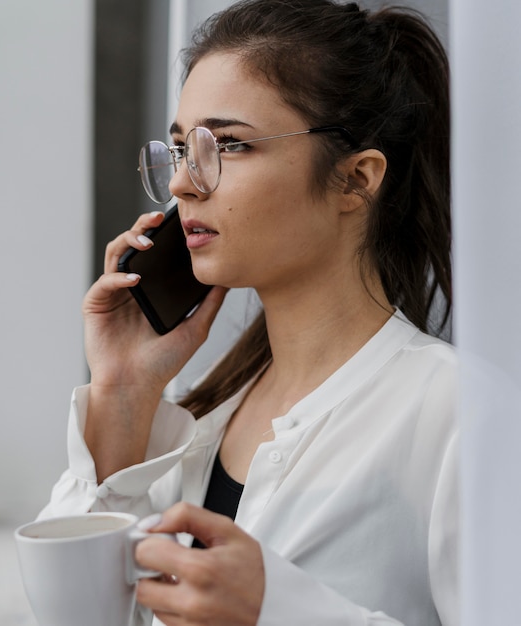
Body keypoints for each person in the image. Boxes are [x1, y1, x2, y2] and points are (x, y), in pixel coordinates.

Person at [40, 0, 457, 624]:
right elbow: (71, 614)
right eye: (181, 149)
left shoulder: (457, 413)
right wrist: (121, 392)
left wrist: (276, 609)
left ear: (356, 180)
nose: (183, 183)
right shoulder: (205, 415)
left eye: (227, 145)